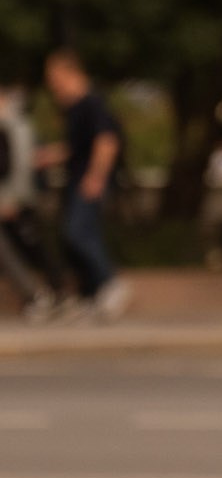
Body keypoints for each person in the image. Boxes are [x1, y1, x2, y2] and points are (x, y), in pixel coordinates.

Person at [39, 49, 129, 322]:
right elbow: (75, 149)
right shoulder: (75, 107)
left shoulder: (92, 103)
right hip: (79, 179)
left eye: (54, 76)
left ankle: (110, 284)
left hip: (88, 182)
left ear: (70, 72)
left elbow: (107, 141)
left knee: (78, 232)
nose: (51, 83)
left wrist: (96, 177)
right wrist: (45, 157)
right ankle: (91, 295)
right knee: (75, 236)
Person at [0, 81, 58, 317]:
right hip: (15, 198)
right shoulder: (13, 127)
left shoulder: (13, 127)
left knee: (29, 247)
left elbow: (17, 167)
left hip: (15, 199)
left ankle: (43, 295)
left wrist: (12, 198)